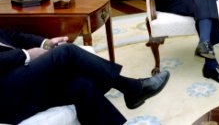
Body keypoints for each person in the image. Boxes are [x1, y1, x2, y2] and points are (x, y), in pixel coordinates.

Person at [0, 28, 170, 125]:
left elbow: (12, 36)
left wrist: (46, 43)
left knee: (82, 84)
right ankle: (132, 88)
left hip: (17, 79)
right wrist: (26, 55)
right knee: (66, 52)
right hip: (5, 96)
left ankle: (131, 91)